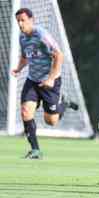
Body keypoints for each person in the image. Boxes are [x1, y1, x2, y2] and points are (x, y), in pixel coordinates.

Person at [12, 8, 78, 159]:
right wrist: (18, 68)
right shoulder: (22, 37)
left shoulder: (41, 35)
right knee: (25, 112)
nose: (21, 24)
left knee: (51, 121)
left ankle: (64, 103)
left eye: (23, 20)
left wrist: (51, 78)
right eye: (18, 21)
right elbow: (25, 56)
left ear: (32, 20)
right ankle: (35, 150)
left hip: (50, 82)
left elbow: (59, 55)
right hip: (32, 80)